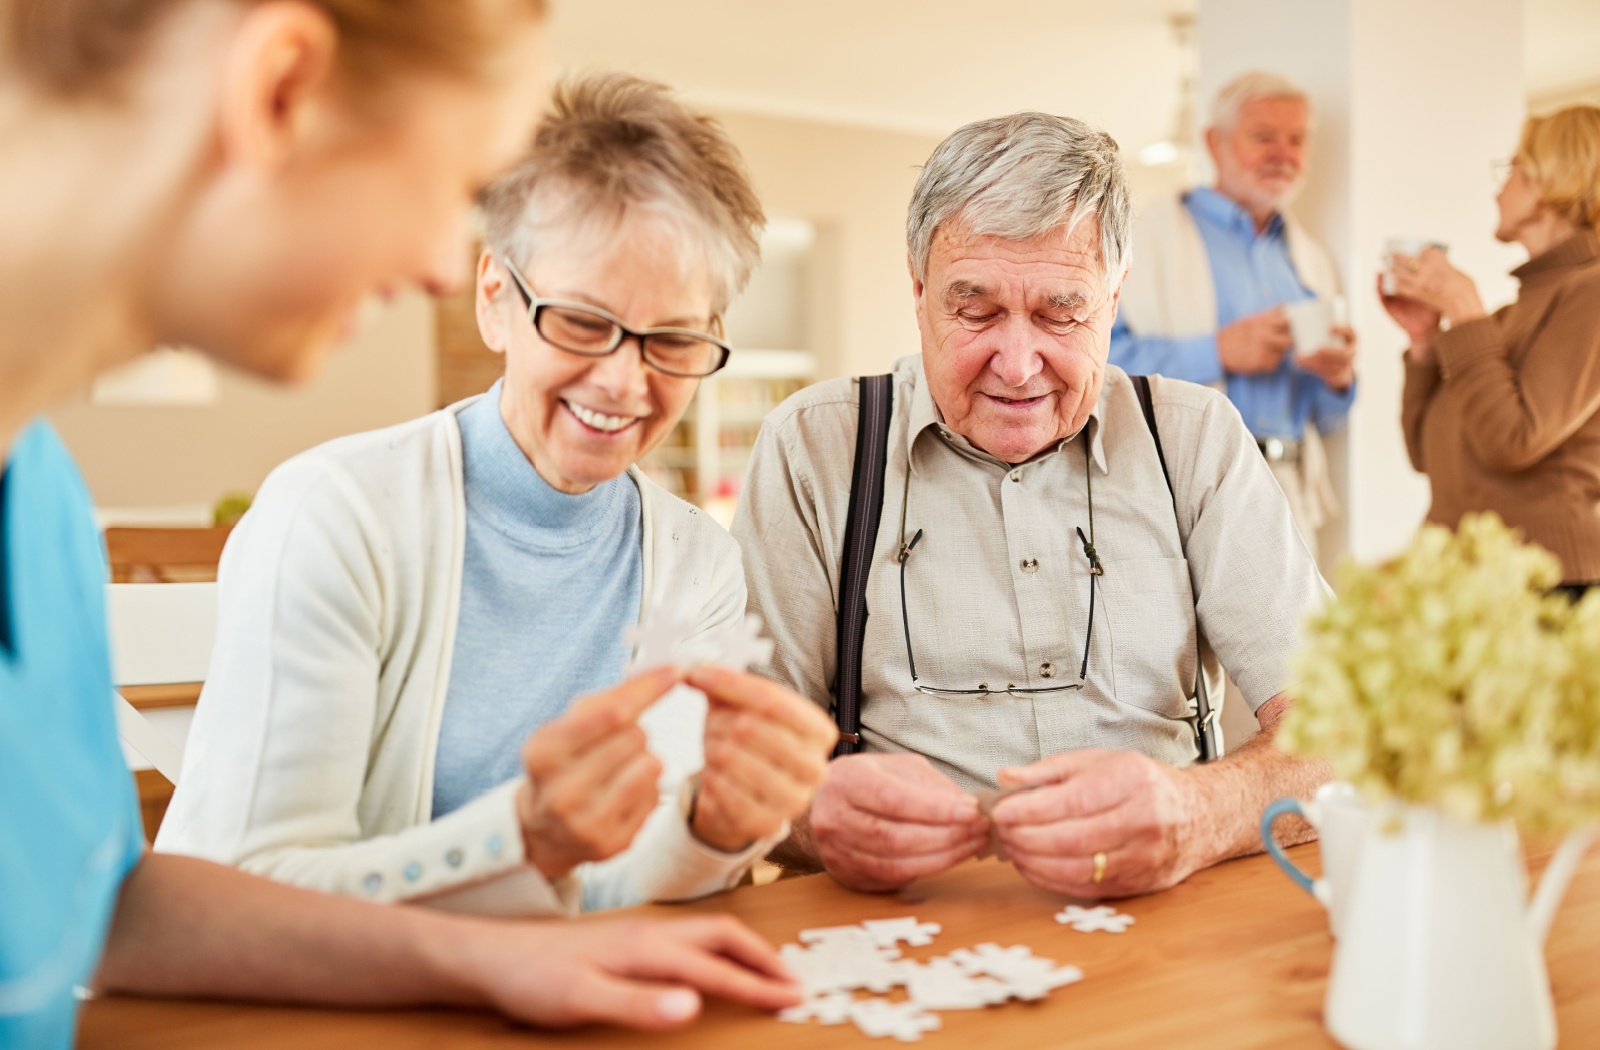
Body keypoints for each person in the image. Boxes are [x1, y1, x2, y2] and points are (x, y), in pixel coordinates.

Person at [0, 4, 804, 1045]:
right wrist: (521, 853)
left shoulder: (46, 499)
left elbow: (115, 908)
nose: (435, 261)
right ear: (280, 91)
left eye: (670, 341)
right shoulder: (329, 509)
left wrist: (656, 855)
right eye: (447, 185)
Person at [156, 73, 837, 915]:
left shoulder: (696, 562)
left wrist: (716, 830)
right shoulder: (334, 515)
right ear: (495, 301)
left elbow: (616, 892)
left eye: (671, 340)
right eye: (583, 322)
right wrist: (526, 836)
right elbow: (242, 892)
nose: (625, 382)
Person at [735, 111, 1332, 901]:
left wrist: (1199, 810)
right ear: (919, 294)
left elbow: (1345, 733)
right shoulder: (811, 447)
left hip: (1167, 921)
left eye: (1061, 312)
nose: (1017, 366)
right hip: (897, 933)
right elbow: (741, 761)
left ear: (1113, 301)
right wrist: (810, 812)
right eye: (974, 310)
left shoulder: (1196, 440)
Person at [1109, 71, 1357, 549]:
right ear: (1214, 142)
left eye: (1296, 141)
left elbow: (1325, 417)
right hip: (1182, 486)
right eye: (1264, 138)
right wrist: (1217, 352)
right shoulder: (1143, 237)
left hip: (1290, 494)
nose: (1283, 155)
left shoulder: (1311, 260)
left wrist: (1338, 379)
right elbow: (1099, 364)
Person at [1390, 105, 1600, 595]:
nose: (1498, 188)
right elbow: (1427, 454)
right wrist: (1424, 342)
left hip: (1546, 587)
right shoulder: (1513, 316)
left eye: (1513, 170)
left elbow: (1513, 439)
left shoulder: (1591, 293)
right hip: (1470, 581)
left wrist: (1464, 312)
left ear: (1550, 181)